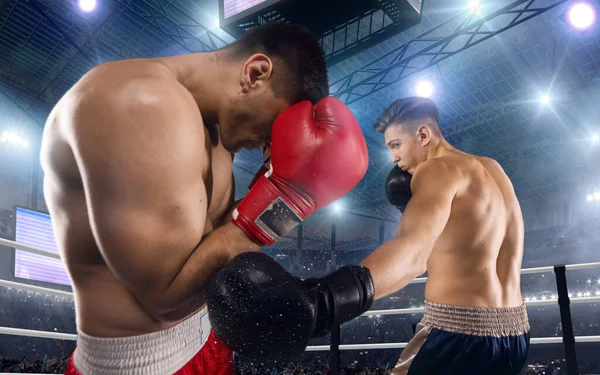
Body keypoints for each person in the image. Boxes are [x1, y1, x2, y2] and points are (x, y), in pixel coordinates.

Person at [41, 22, 368, 374]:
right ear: (256, 72)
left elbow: (212, 250)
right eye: (272, 132)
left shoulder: (216, 128)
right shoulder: (138, 103)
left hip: (208, 341)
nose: (266, 150)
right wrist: (283, 204)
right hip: (143, 364)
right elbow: (163, 300)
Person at [208, 97, 530, 375]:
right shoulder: (492, 169)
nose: (393, 158)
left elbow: (412, 254)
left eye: (395, 145)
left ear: (423, 134)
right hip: (516, 332)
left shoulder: (438, 170)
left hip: (461, 334)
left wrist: (321, 304)